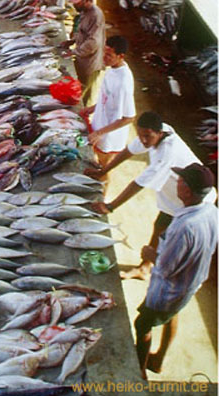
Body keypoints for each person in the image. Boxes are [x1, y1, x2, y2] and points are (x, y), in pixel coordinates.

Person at [88, 111, 216, 280]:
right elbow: (129, 150)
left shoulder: (167, 152)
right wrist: (103, 170)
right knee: (160, 225)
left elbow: (138, 184)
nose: (144, 140)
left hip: (195, 201)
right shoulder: (154, 132)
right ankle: (145, 267)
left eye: (147, 136)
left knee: (176, 238)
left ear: (159, 133)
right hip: (176, 195)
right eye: (141, 135)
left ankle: (167, 273)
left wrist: (110, 206)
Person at [135, 163, 217, 379]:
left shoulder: (184, 226)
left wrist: (149, 254)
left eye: (180, 180)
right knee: (172, 315)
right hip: (191, 282)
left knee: (142, 323)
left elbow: (165, 268)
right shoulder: (211, 211)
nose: (177, 183)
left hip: (169, 289)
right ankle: (159, 360)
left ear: (187, 190)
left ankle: (141, 370)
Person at [83, 36, 136, 168]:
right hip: (99, 125)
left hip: (109, 136)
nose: (104, 58)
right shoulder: (113, 68)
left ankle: (102, 185)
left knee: (103, 167)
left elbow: (129, 117)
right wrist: (93, 108)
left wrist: (100, 133)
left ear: (120, 56)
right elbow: (108, 97)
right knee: (93, 160)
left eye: (109, 55)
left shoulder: (123, 82)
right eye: (104, 53)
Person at [61, 0, 106, 105]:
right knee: (79, 88)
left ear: (87, 0)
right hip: (83, 57)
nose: (74, 5)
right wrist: (72, 41)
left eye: (77, 2)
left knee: (85, 95)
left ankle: (84, 116)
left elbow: (93, 43)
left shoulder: (96, 15)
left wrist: (74, 52)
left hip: (91, 63)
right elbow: (82, 32)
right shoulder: (84, 12)